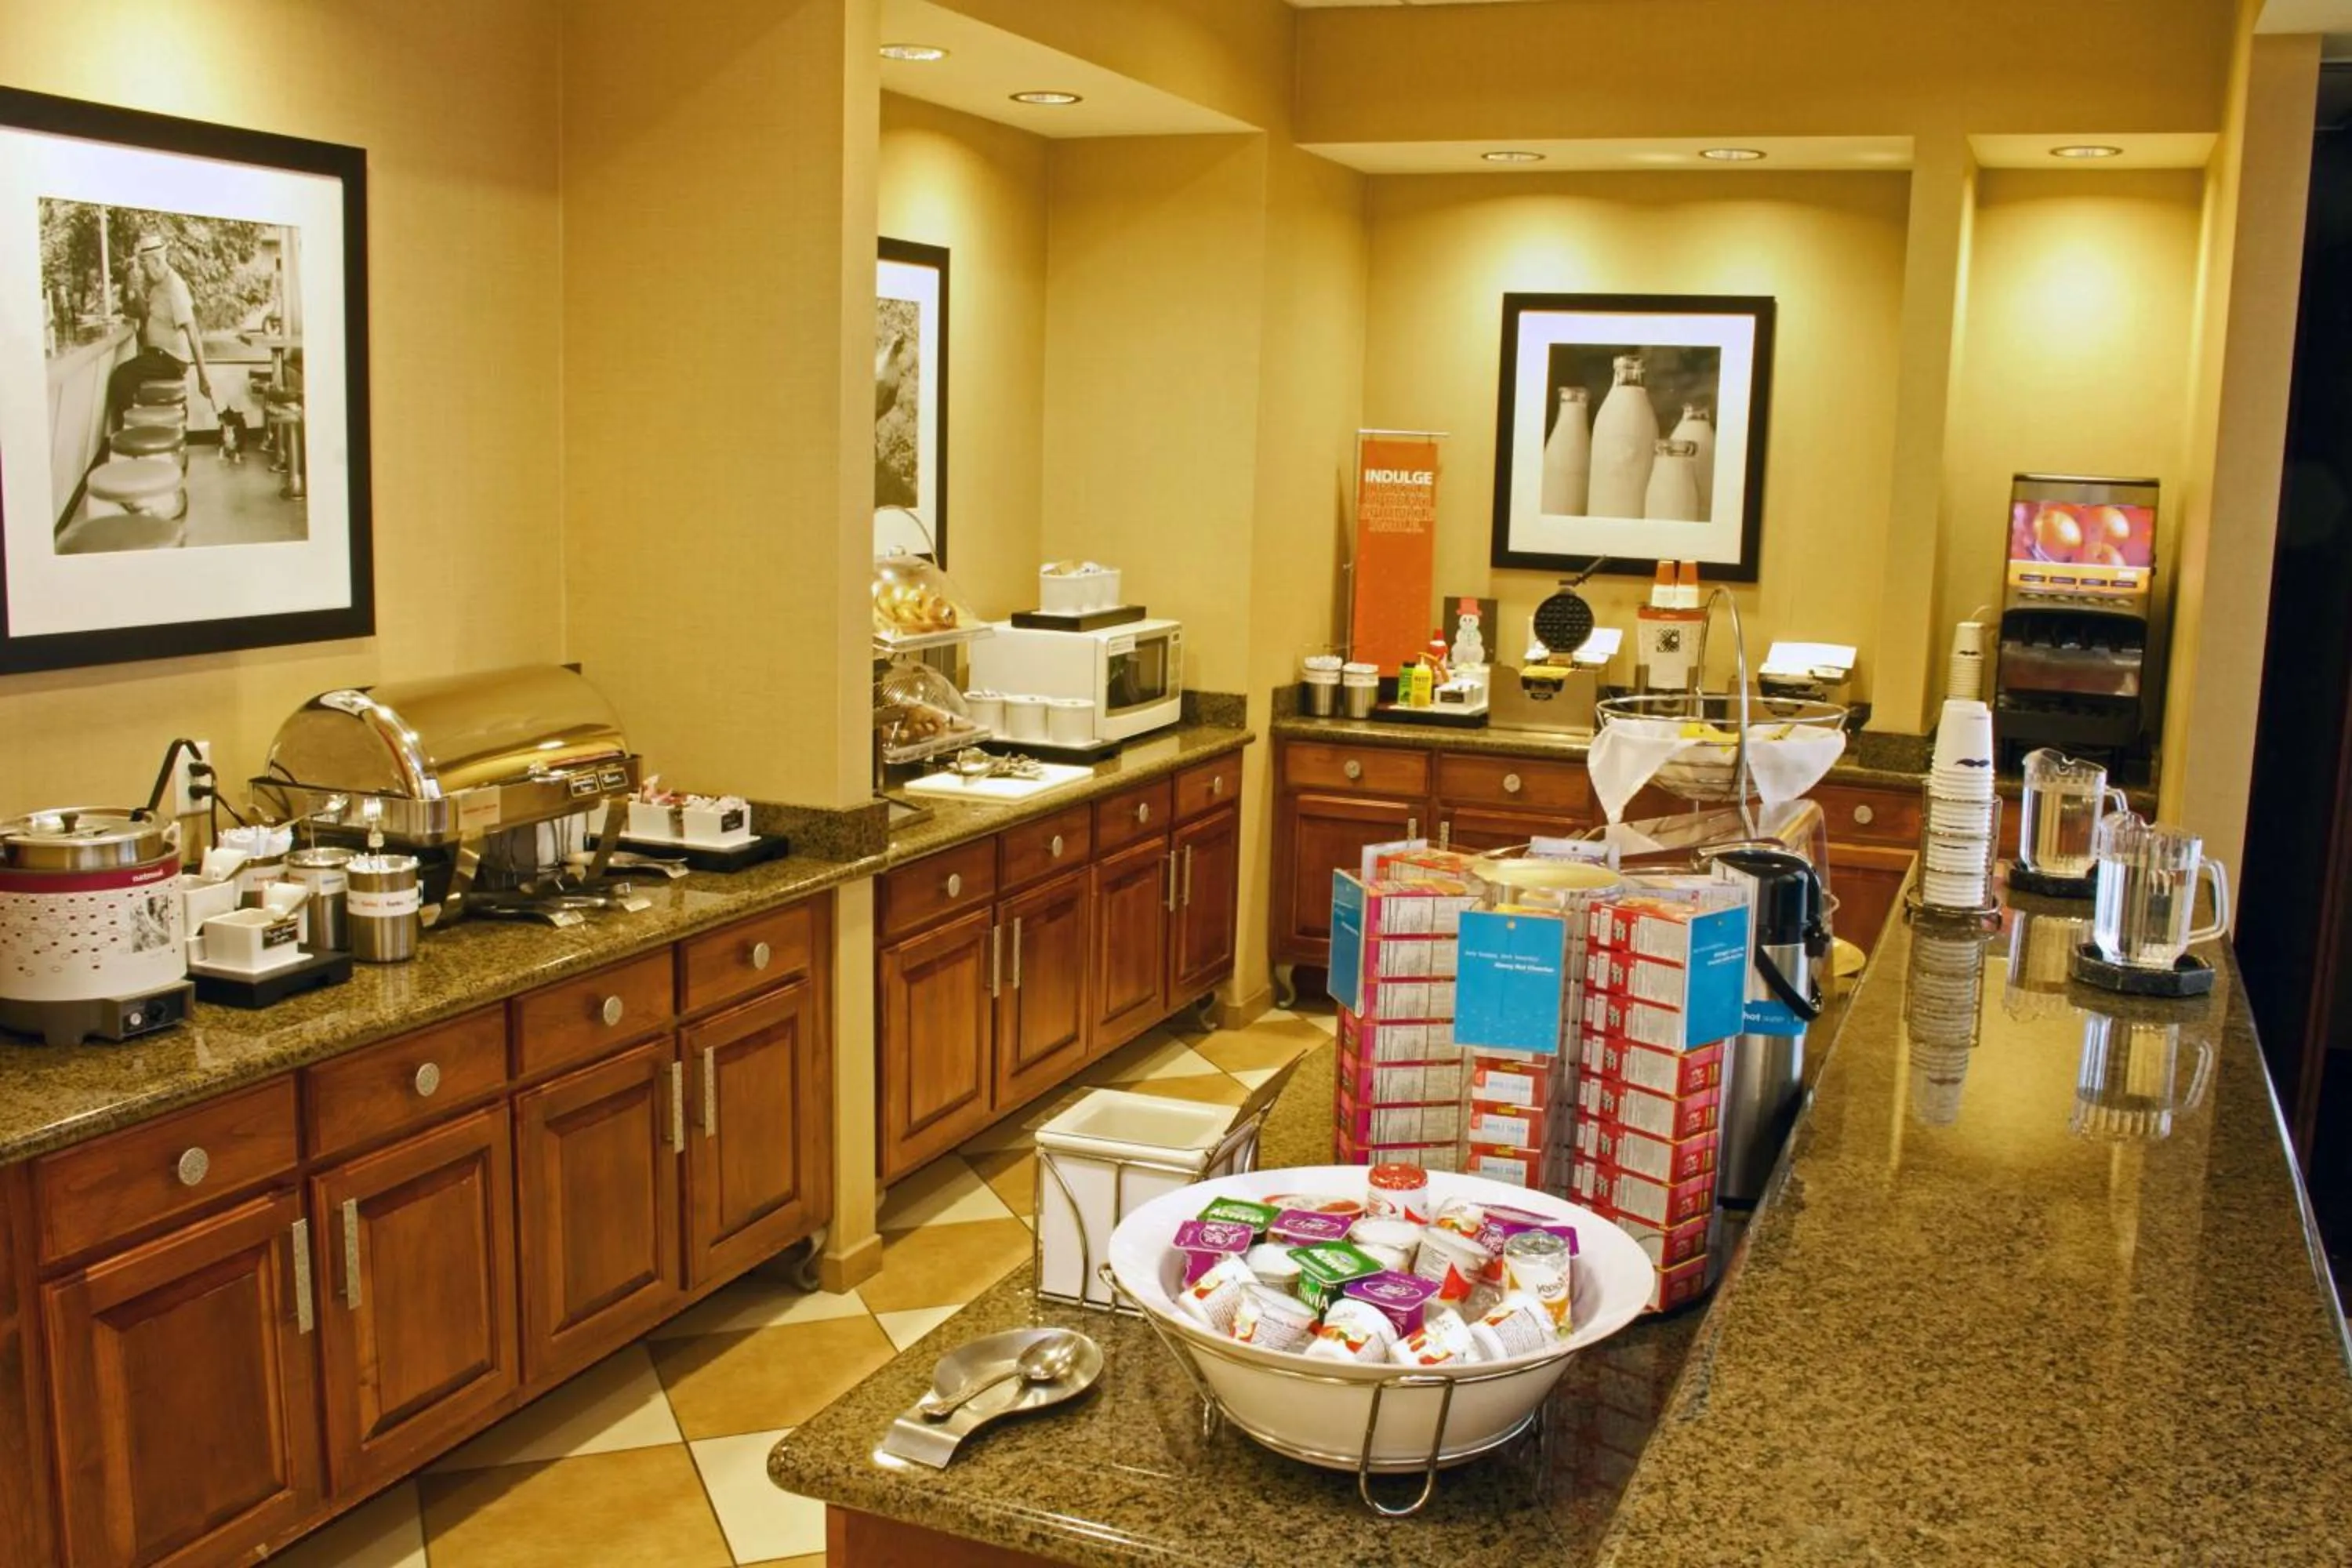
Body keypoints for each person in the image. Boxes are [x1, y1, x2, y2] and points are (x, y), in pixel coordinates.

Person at [107, 231, 212, 429]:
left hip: (170, 360)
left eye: (145, 266)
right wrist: (135, 290)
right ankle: (138, 429)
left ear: (156, 261)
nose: (144, 272)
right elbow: (146, 317)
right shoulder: (158, 286)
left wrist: (203, 378)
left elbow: (193, 332)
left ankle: (126, 433)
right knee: (126, 377)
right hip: (159, 356)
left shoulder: (175, 288)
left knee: (121, 377)